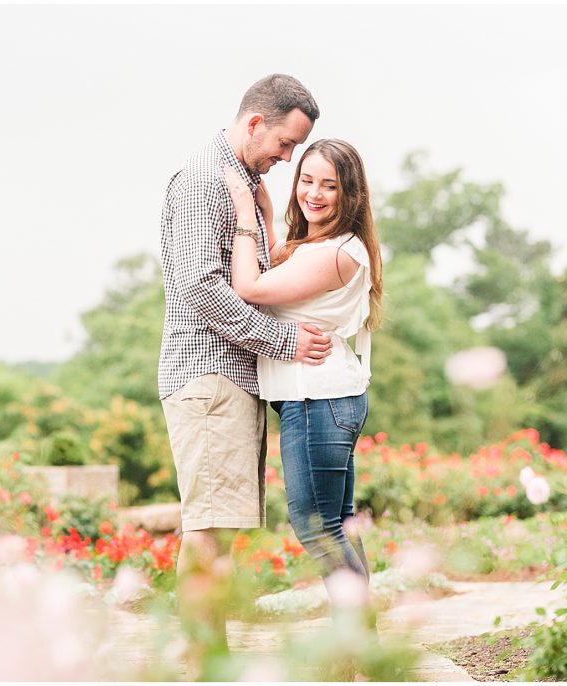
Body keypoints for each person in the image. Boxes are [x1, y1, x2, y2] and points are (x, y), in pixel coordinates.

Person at [158, 74, 331, 669]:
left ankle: (205, 658)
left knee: (218, 529)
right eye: (284, 145)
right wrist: (285, 341)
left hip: (231, 380)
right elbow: (203, 290)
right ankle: (204, 664)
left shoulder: (240, 184)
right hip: (210, 378)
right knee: (208, 530)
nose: (287, 159)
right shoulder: (205, 182)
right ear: (255, 122)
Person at [223, 138, 384, 605]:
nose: (313, 193)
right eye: (307, 180)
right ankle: (354, 656)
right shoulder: (327, 246)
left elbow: (249, 286)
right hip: (325, 398)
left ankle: (359, 648)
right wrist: (270, 216)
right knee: (337, 524)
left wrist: (241, 217)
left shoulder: (336, 253)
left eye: (329, 186)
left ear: (350, 194)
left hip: (318, 399)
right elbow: (279, 267)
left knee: (318, 528)